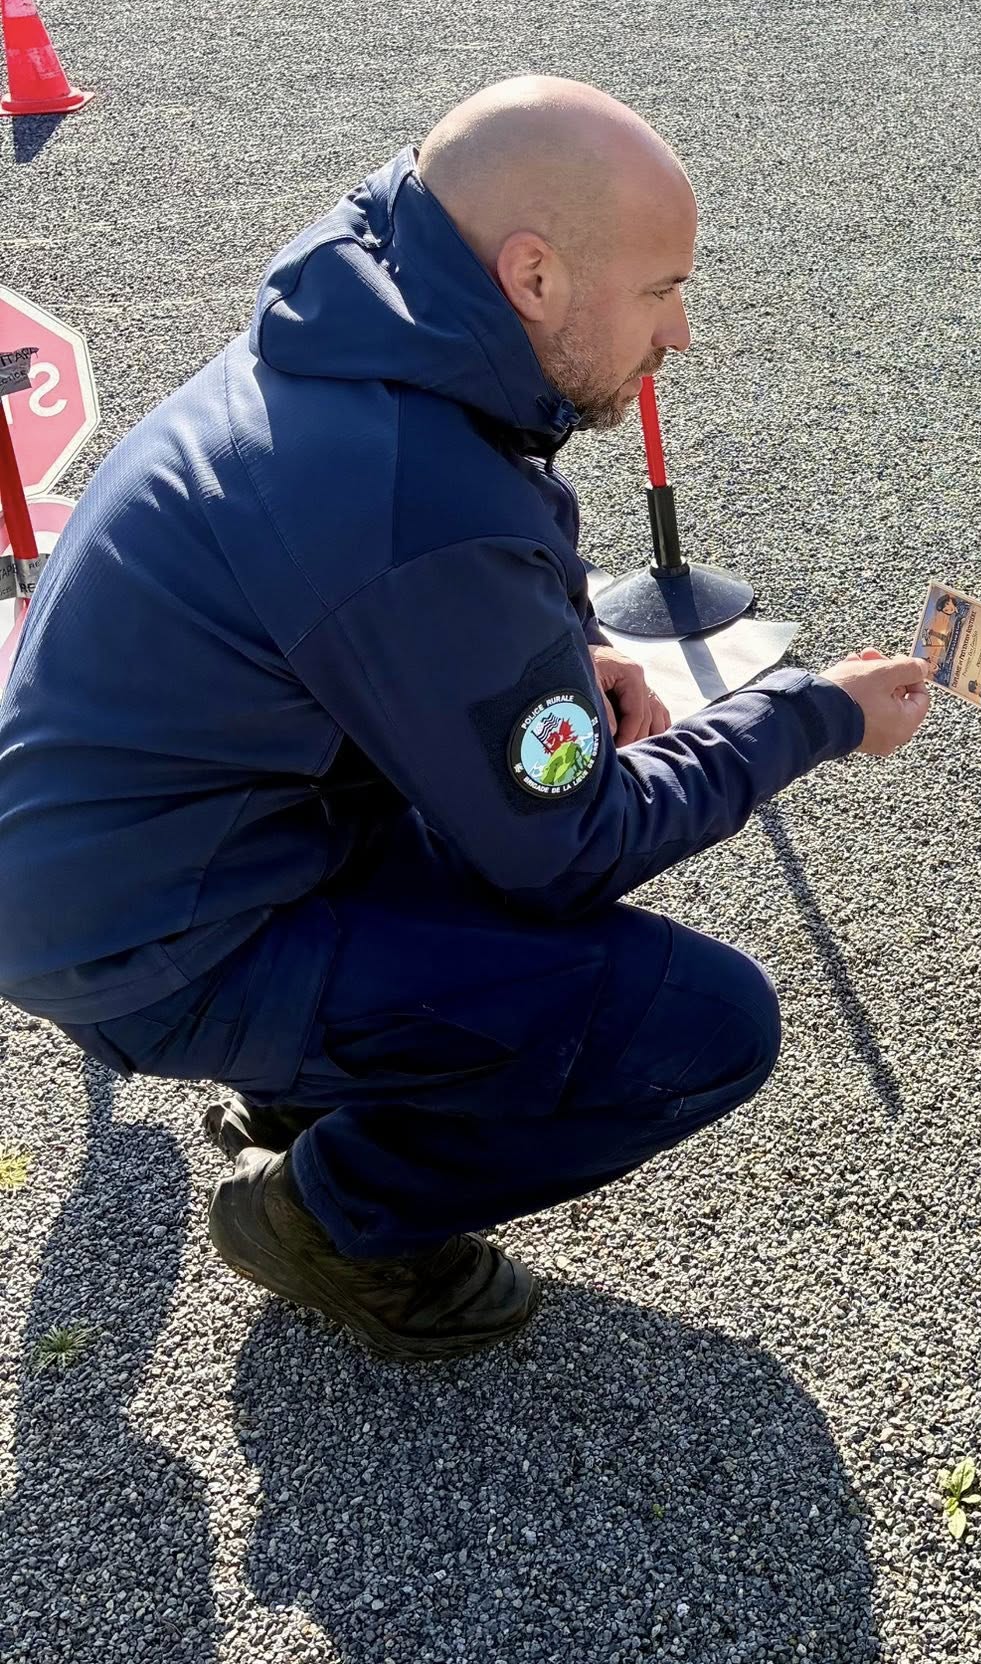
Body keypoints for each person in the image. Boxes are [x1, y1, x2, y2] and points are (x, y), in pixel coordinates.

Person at [0, 77, 933, 1360]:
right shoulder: (411, 503)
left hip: (152, 849)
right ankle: (327, 1213)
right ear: (534, 274)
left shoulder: (368, 327)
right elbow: (569, 849)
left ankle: (302, 1084)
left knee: (480, 886)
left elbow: (399, 605)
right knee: (701, 1023)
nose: (682, 332)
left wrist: (564, 643)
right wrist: (808, 714)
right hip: (156, 935)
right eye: (660, 289)